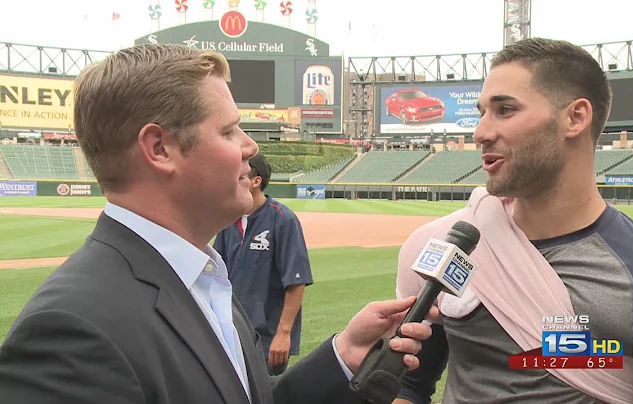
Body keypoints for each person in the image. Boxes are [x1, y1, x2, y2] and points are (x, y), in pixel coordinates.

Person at [0, 44, 437, 404]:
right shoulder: (71, 330)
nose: (249, 147)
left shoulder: (203, 278)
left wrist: (342, 356)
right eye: (229, 131)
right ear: (160, 148)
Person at [393, 38, 633, 404]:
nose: (481, 132)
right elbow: (409, 386)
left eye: (505, 110)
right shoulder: (449, 246)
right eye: (483, 111)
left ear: (575, 118)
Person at [213, 152, 313, 376]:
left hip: (268, 339)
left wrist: (284, 333)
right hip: (231, 331)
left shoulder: (282, 219)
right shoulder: (228, 219)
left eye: (241, 175)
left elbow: (296, 282)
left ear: (256, 181)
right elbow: (216, 275)